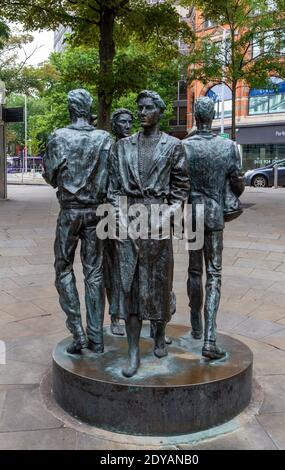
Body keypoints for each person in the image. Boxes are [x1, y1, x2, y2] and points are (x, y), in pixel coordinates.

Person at [107, 90, 190, 377]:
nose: (141, 112)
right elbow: (113, 189)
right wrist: (121, 221)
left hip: (158, 221)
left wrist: (165, 216)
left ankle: (158, 334)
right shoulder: (122, 146)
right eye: (139, 108)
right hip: (129, 220)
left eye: (147, 108)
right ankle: (132, 352)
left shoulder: (174, 146)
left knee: (158, 284)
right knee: (129, 288)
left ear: (160, 111)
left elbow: (180, 190)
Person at [43, 89, 113, 354]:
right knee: (94, 273)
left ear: (71, 109)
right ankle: (96, 337)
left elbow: (51, 176)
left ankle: (78, 332)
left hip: (70, 212)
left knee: (63, 269)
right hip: (97, 212)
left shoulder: (58, 137)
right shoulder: (104, 138)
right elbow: (111, 177)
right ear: (89, 109)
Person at [183, 96, 244, 360]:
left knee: (194, 270)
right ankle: (210, 337)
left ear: (196, 118)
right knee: (214, 274)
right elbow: (238, 185)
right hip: (215, 214)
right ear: (212, 117)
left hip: (192, 215)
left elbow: (178, 184)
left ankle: (196, 323)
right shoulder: (228, 147)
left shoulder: (183, 147)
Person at [105, 109, 134, 336]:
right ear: (114, 126)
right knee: (114, 269)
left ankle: (137, 315)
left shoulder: (136, 147)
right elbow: (109, 187)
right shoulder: (109, 149)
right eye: (122, 122)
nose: (127, 125)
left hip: (138, 213)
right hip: (113, 214)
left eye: (129, 122)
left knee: (139, 269)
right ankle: (115, 316)